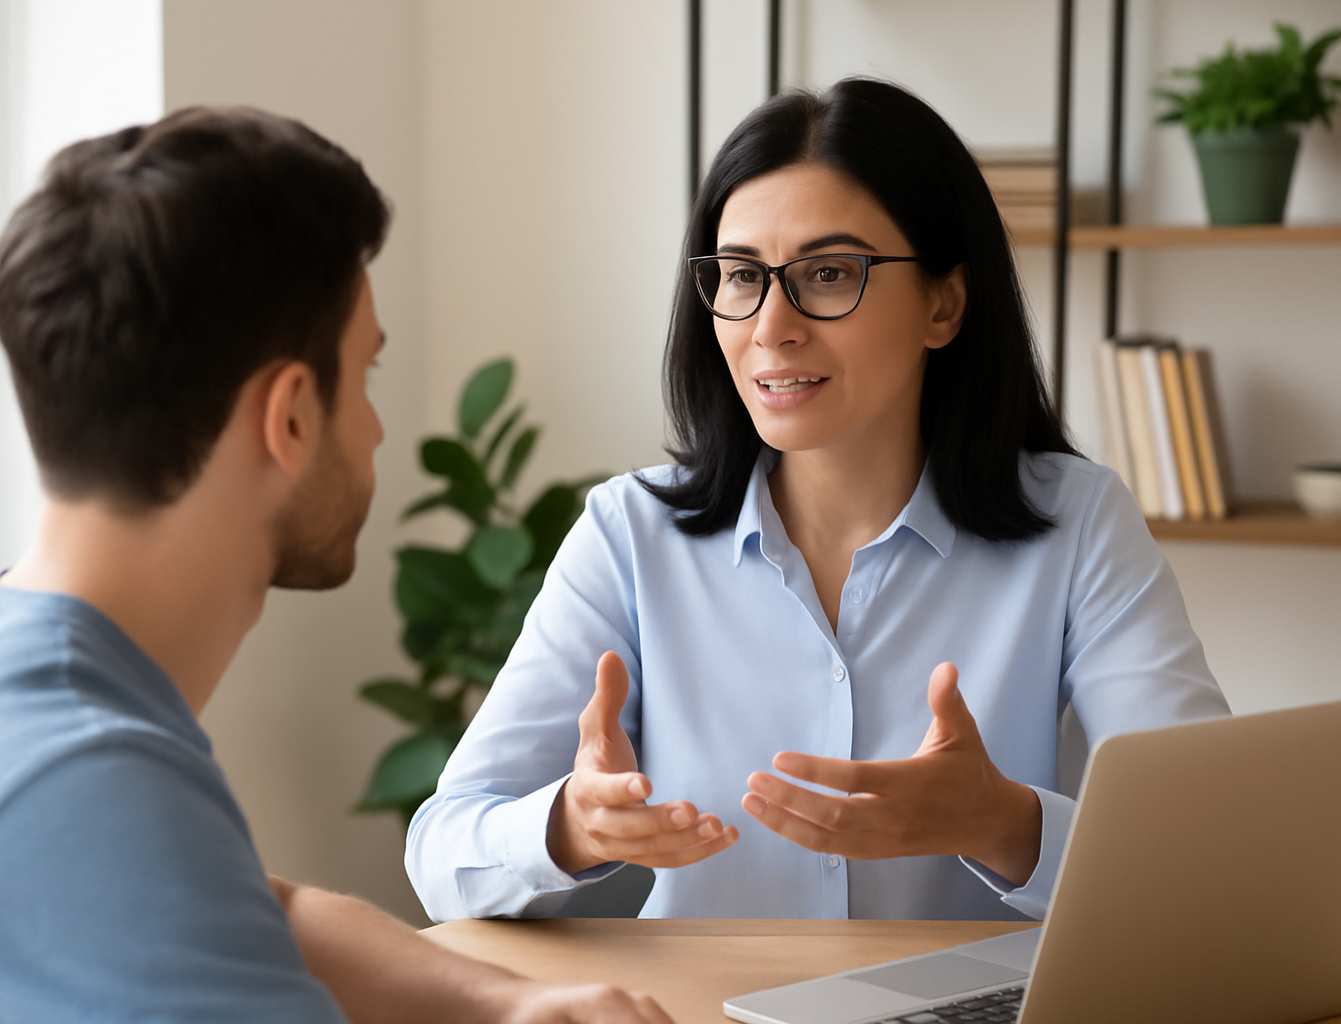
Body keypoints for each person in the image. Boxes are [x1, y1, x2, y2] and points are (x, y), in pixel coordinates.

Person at [0, 107, 672, 1024]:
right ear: (291, 415)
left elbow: (269, 914)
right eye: (365, 376)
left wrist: (509, 1007)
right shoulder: (75, 777)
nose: (376, 428)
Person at [405, 79, 1229, 923]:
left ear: (943, 303)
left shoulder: (1077, 523)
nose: (771, 325)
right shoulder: (630, 534)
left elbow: (1212, 855)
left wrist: (1002, 824)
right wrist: (570, 826)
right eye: (739, 276)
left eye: (829, 273)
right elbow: (443, 852)